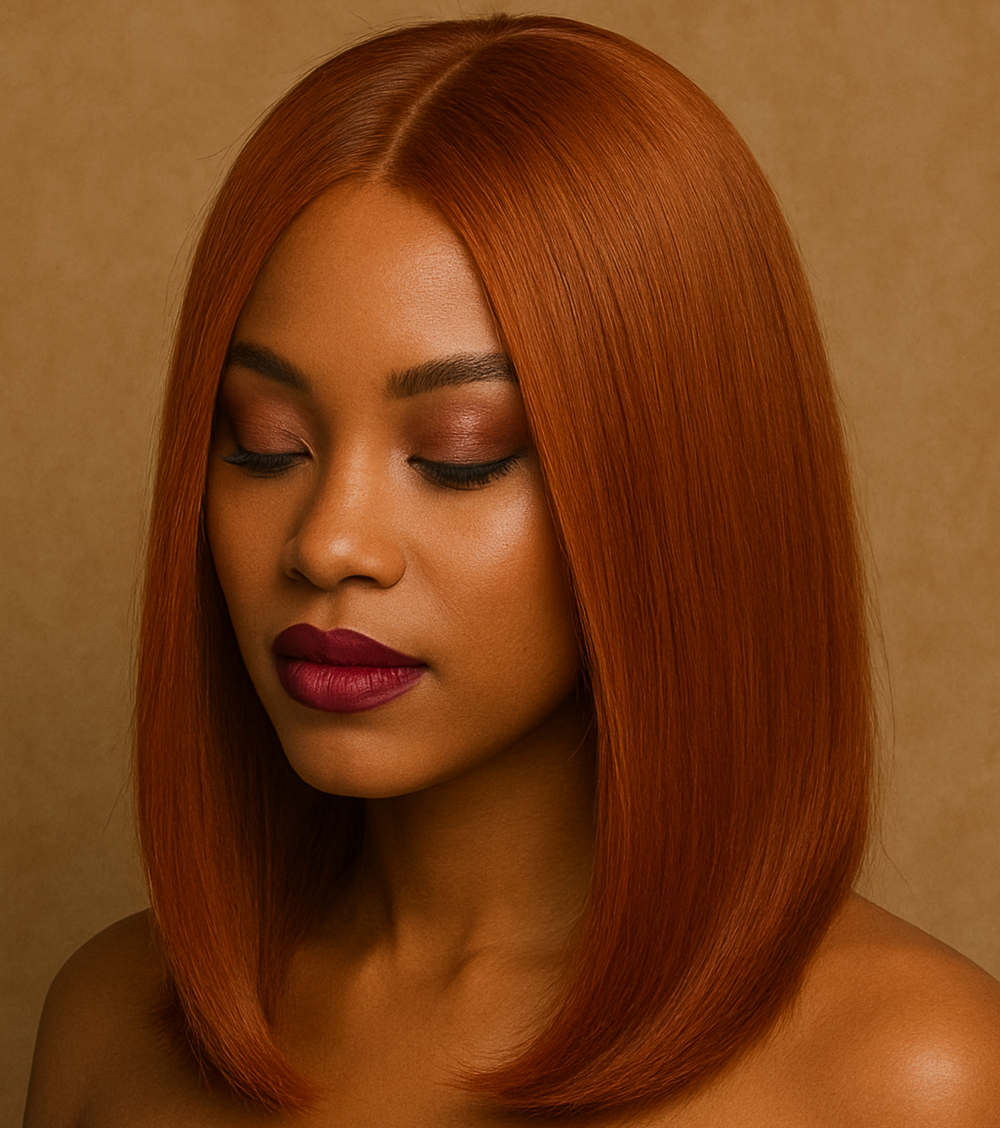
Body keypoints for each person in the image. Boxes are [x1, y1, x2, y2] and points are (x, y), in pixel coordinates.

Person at [23, 13, 1000, 1126]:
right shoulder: (111, 1029)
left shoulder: (911, 1078)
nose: (329, 541)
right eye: (266, 442)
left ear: (675, 490)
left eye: (457, 454)